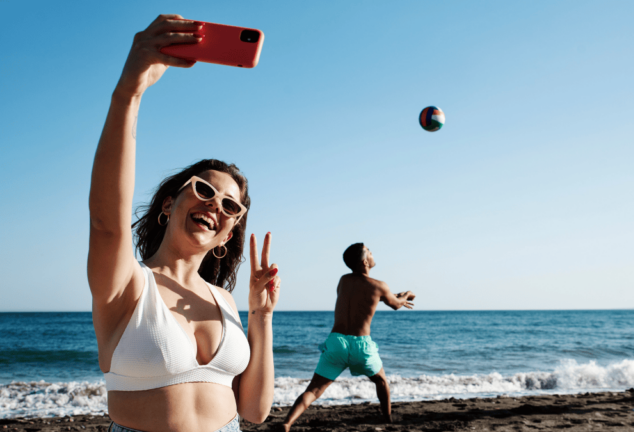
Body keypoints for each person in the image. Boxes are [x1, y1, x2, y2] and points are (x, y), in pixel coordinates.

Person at [88, 15, 282, 432]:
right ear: (167, 205)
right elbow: (107, 223)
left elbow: (254, 411)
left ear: (227, 235)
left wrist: (261, 318)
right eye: (204, 191)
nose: (216, 206)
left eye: (231, 207)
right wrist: (129, 93)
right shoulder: (127, 283)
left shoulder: (225, 301)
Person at [281, 243, 416, 431]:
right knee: (381, 381)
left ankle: (287, 423)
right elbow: (395, 304)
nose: (372, 252)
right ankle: (387, 419)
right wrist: (407, 294)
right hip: (361, 345)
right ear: (364, 261)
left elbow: (368, 295)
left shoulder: (343, 280)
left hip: (336, 342)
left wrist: (393, 296)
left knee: (313, 390)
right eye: (369, 251)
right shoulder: (379, 286)